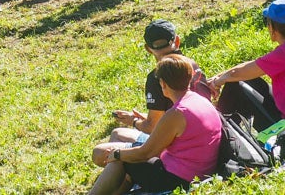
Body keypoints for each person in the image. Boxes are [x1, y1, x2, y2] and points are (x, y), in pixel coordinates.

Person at [87, 55, 223, 195]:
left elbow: (145, 153)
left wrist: (117, 154)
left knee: (109, 155)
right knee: (119, 150)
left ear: (163, 84)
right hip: (198, 170)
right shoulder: (199, 100)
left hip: (177, 179)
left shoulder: (176, 113)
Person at [210, 0, 285, 132]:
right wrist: (218, 78)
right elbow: (247, 70)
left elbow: (235, 74)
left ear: (272, 28)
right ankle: (223, 129)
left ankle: (215, 133)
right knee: (242, 78)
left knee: (235, 86)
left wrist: (218, 81)